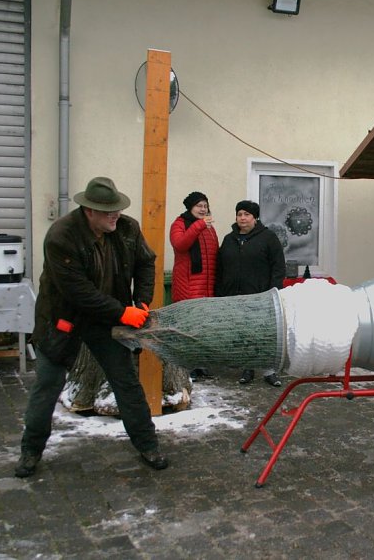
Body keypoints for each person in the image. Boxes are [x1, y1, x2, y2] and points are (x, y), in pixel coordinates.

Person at [14, 176, 168, 478]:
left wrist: (142, 301)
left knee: (125, 381)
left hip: (108, 319)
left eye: (117, 209)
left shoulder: (126, 228)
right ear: (89, 211)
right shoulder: (61, 236)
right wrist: (123, 313)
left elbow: (146, 262)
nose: (116, 215)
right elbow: (78, 293)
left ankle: (148, 444)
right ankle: (30, 451)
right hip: (62, 320)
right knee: (47, 384)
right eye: (108, 211)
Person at [216, 200, 286, 387]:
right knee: (243, 333)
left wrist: (274, 291)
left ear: (255, 218)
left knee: (265, 334)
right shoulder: (229, 240)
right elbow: (220, 267)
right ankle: (248, 368)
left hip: (261, 295)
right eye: (239, 214)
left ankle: (270, 371)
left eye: (247, 214)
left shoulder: (268, 238)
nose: (242, 218)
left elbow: (278, 267)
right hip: (235, 295)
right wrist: (220, 292)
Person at [169, 191, 218, 381]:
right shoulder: (180, 224)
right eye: (199, 206)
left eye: (205, 206)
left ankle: (200, 363)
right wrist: (198, 226)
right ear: (190, 207)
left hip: (206, 286)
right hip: (188, 285)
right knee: (187, 328)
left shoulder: (209, 228)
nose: (203, 209)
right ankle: (187, 366)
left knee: (203, 328)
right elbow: (180, 244)